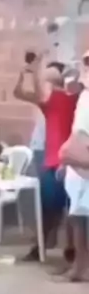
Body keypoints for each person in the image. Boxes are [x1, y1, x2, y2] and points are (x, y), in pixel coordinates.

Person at [13, 55, 79, 263]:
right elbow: (20, 93)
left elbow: (39, 89)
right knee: (56, 208)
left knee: (69, 210)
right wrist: (27, 73)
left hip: (65, 161)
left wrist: (36, 67)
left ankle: (70, 251)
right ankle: (49, 247)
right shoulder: (53, 101)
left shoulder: (69, 98)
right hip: (54, 161)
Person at [57, 53, 89, 281]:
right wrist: (66, 160)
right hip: (76, 165)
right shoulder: (84, 97)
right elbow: (77, 132)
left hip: (84, 161)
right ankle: (79, 266)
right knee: (77, 216)